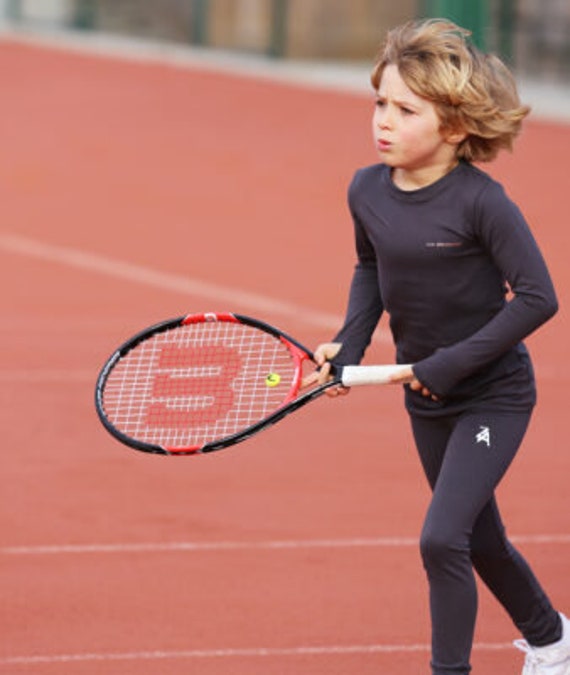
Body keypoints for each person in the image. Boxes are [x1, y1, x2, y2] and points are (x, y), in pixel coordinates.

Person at [302, 18, 569, 675]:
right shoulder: (366, 189)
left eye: (405, 109)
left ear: (453, 127)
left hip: (491, 396)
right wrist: (351, 343)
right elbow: (371, 267)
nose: (383, 121)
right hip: (428, 399)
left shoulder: (484, 203)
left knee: (441, 536)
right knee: (480, 539)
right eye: (380, 104)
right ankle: (554, 639)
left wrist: (448, 364)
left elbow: (539, 297)